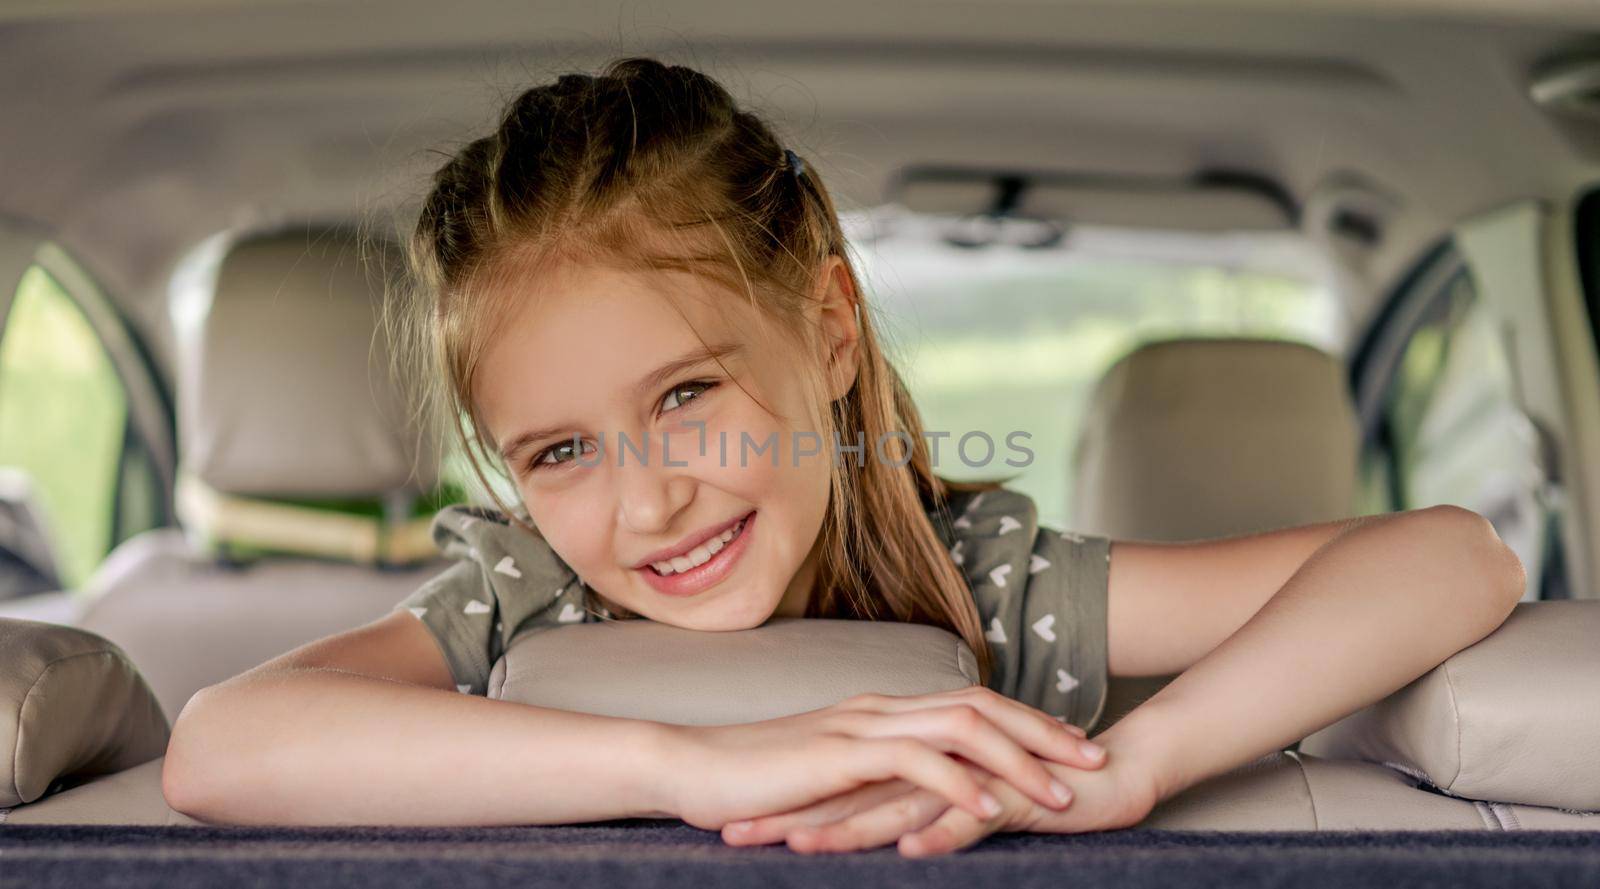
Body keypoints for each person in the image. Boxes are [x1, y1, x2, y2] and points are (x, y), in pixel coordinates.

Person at [161, 56, 1526, 857]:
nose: (647, 498)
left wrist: (1140, 760)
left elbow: (1451, 556)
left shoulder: (987, 592)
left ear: (824, 331)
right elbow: (218, 746)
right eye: (561, 447)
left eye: (689, 391)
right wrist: (687, 764)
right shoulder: (524, 598)